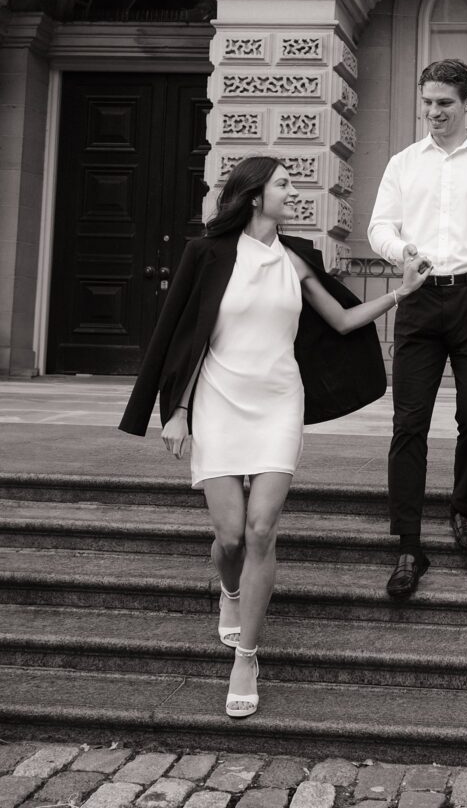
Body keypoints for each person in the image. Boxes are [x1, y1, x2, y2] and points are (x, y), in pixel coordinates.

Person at [119, 155, 431, 718]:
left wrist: (401, 293)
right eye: (284, 184)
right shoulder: (207, 254)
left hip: (279, 404)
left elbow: (341, 321)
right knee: (230, 538)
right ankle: (231, 590)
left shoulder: (296, 258)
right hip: (217, 402)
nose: (294, 191)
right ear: (255, 194)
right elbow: (182, 335)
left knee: (261, 529)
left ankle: (246, 657)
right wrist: (177, 411)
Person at [368, 58, 467, 599]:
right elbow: (379, 227)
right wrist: (404, 251)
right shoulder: (403, 163)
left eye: (444, 103)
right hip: (419, 297)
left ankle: (462, 509)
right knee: (408, 424)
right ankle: (409, 546)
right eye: (427, 103)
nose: (433, 112)